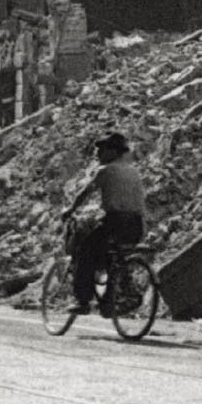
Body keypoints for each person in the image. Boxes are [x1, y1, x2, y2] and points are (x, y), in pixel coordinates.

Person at [63, 131, 146, 315]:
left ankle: (83, 301)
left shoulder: (106, 170)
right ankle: (108, 301)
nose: (98, 154)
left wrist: (70, 210)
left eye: (102, 149)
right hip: (137, 226)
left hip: (116, 224)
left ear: (113, 152)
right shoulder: (133, 171)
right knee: (110, 257)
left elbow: (85, 193)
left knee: (86, 252)